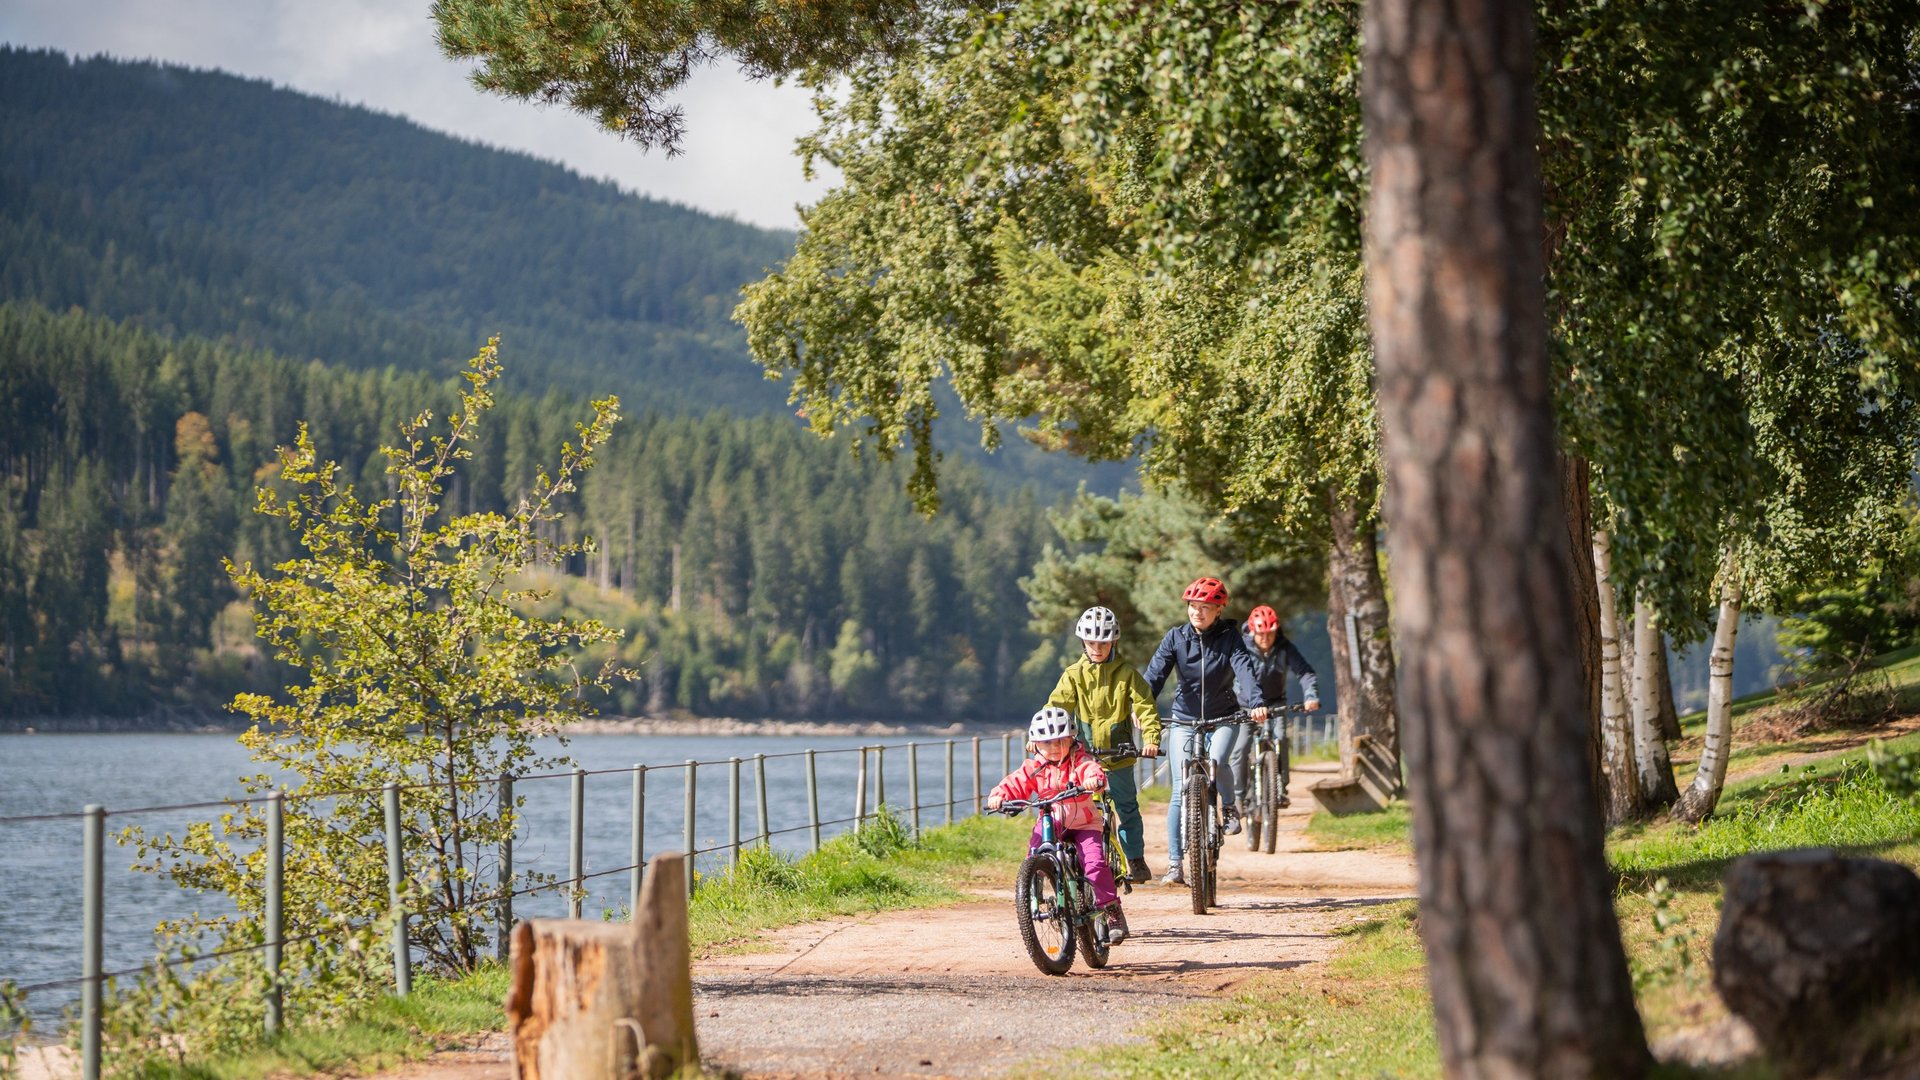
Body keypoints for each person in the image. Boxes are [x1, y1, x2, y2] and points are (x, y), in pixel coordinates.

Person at [1142, 576, 1267, 886]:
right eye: (1193, 606)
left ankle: (1229, 806)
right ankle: (1175, 864)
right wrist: (1141, 707)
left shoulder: (1230, 638)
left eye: (1205, 607)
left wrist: (1256, 702)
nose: (1197, 612)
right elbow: (1154, 675)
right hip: (1183, 718)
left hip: (1224, 716)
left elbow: (1244, 670)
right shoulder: (1176, 638)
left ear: (1219, 610)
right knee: (1178, 791)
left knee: (1217, 761)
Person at [986, 706, 1128, 942]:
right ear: (1036, 744)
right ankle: (1035, 892)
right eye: (1047, 742)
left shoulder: (1079, 761)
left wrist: (1093, 780)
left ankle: (1111, 909)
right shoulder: (1034, 767)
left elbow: (1091, 770)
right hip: (1051, 822)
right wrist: (1000, 795)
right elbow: (1016, 782)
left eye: (1060, 741)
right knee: (1034, 854)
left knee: (1094, 864)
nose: (1053, 747)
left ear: (1071, 739)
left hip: (1084, 823)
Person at [1046, 606, 1162, 883]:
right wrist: (1044, 738)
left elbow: (1145, 707)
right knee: (1083, 810)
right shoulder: (1074, 675)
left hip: (1119, 755)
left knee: (1127, 807)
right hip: (1084, 758)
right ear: (1083, 642)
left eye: (1103, 643)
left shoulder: (1127, 674)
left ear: (1114, 642)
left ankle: (1135, 859)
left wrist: (1151, 739)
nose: (1097, 648)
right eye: (1091, 643)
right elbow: (1057, 707)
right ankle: (1083, 859)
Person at [1234, 604, 1321, 810]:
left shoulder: (1284, 647)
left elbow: (1305, 672)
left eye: (1270, 633)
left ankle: (1280, 788)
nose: (1265, 638)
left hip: (1275, 703)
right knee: (1240, 748)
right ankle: (1238, 797)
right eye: (1261, 634)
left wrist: (1311, 696)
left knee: (1280, 738)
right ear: (1252, 631)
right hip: (1245, 706)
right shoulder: (1240, 648)